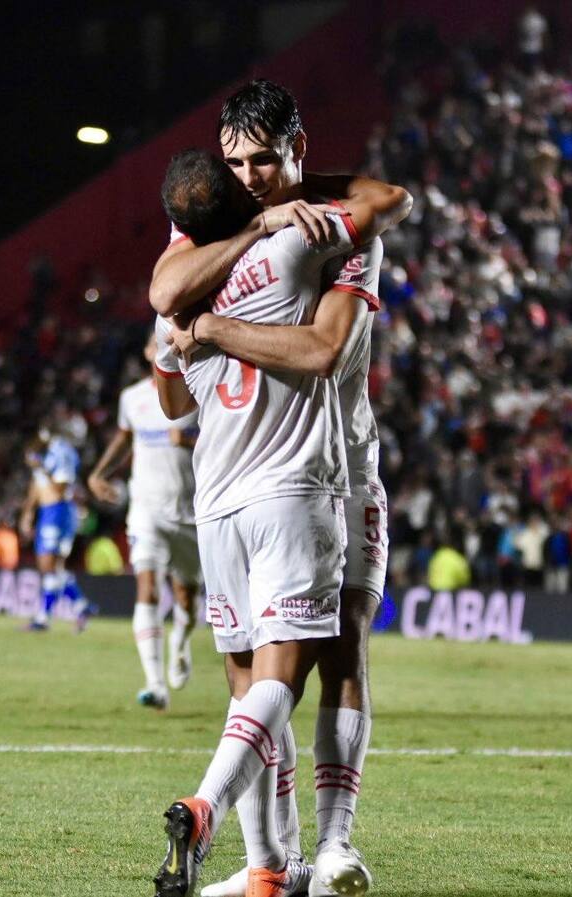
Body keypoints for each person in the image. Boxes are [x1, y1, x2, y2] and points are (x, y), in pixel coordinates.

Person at [154, 80, 408, 897]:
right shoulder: (220, 223)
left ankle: (331, 846)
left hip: (338, 467)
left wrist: (202, 332)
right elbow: (164, 299)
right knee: (258, 679)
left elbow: (325, 343)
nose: (252, 175)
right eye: (237, 161)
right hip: (248, 479)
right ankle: (273, 866)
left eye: (266, 158)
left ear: (299, 146)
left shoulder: (337, 224)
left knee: (339, 651)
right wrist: (260, 220)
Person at [87, 335, 202, 709]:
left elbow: (226, 440)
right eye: (156, 343)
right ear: (148, 352)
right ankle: (155, 684)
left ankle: (180, 642)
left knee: (186, 594)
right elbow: (124, 438)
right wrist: (98, 473)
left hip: (190, 511)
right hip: (146, 508)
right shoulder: (132, 398)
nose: (163, 347)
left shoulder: (198, 390)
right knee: (147, 586)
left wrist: (188, 441)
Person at [19, 430, 90, 631]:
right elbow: (36, 487)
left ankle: (44, 618)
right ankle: (81, 606)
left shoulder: (61, 454)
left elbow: (60, 489)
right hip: (48, 513)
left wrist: (41, 468)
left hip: (58, 512)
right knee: (52, 568)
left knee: (48, 565)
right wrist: (28, 513)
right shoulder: (43, 458)